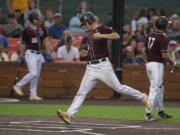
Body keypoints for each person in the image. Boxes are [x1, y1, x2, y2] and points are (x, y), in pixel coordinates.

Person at [57, 12, 152, 125]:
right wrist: (86, 54)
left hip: (103, 66)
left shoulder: (102, 28)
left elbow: (116, 35)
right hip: (91, 66)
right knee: (81, 92)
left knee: (118, 88)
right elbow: (95, 51)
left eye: (85, 24)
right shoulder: (90, 33)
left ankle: (142, 97)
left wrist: (102, 35)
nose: (84, 26)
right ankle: (70, 115)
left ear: (90, 21)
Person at [143, 16, 177, 121]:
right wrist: (173, 62)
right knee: (155, 89)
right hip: (156, 65)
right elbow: (164, 55)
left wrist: (146, 62)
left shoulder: (150, 34)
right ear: (164, 25)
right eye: (167, 24)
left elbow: (143, 50)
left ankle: (161, 111)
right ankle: (148, 114)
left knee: (160, 89)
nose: (168, 25)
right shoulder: (162, 37)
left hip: (150, 64)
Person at [13, 12, 49, 101]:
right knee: (33, 73)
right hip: (30, 53)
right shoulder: (26, 30)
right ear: (32, 20)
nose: (38, 20)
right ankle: (18, 85)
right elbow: (23, 43)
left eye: (38, 18)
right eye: (36, 19)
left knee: (36, 75)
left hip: (39, 54)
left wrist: (48, 50)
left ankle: (33, 94)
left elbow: (45, 39)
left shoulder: (42, 28)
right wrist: (21, 55)